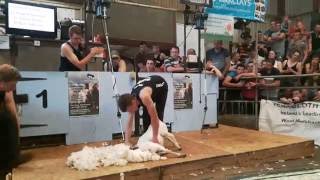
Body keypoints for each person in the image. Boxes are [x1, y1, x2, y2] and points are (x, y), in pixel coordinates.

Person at [118, 75, 168, 145]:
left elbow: (154, 117)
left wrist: (155, 137)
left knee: (158, 114)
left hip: (161, 86)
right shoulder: (131, 99)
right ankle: (149, 139)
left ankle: (157, 139)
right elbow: (129, 123)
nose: (131, 112)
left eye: (130, 110)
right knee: (146, 119)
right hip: (149, 88)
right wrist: (127, 141)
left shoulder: (144, 97)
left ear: (133, 102)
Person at [0, 64, 21, 179]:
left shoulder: (5, 91)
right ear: (2, 82)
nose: (13, 88)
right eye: (12, 85)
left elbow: (12, 109)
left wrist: (17, 132)